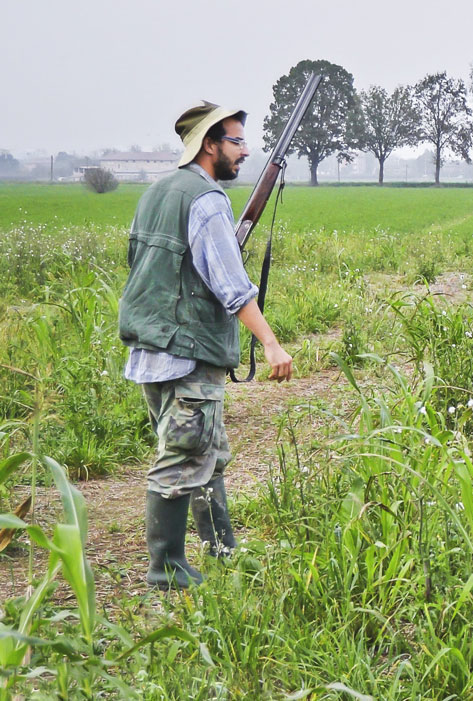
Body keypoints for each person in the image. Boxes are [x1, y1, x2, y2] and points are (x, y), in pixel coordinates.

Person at [118, 101, 293, 590]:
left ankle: (221, 549)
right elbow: (231, 285)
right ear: (209, 144)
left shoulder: (156, 193)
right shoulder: (207, 199)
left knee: (205, 452)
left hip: (150, 347)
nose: (245, 150)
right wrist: (272, 344)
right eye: (236, 141)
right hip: (187, 350)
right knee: (183, 458)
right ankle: (167, 570)